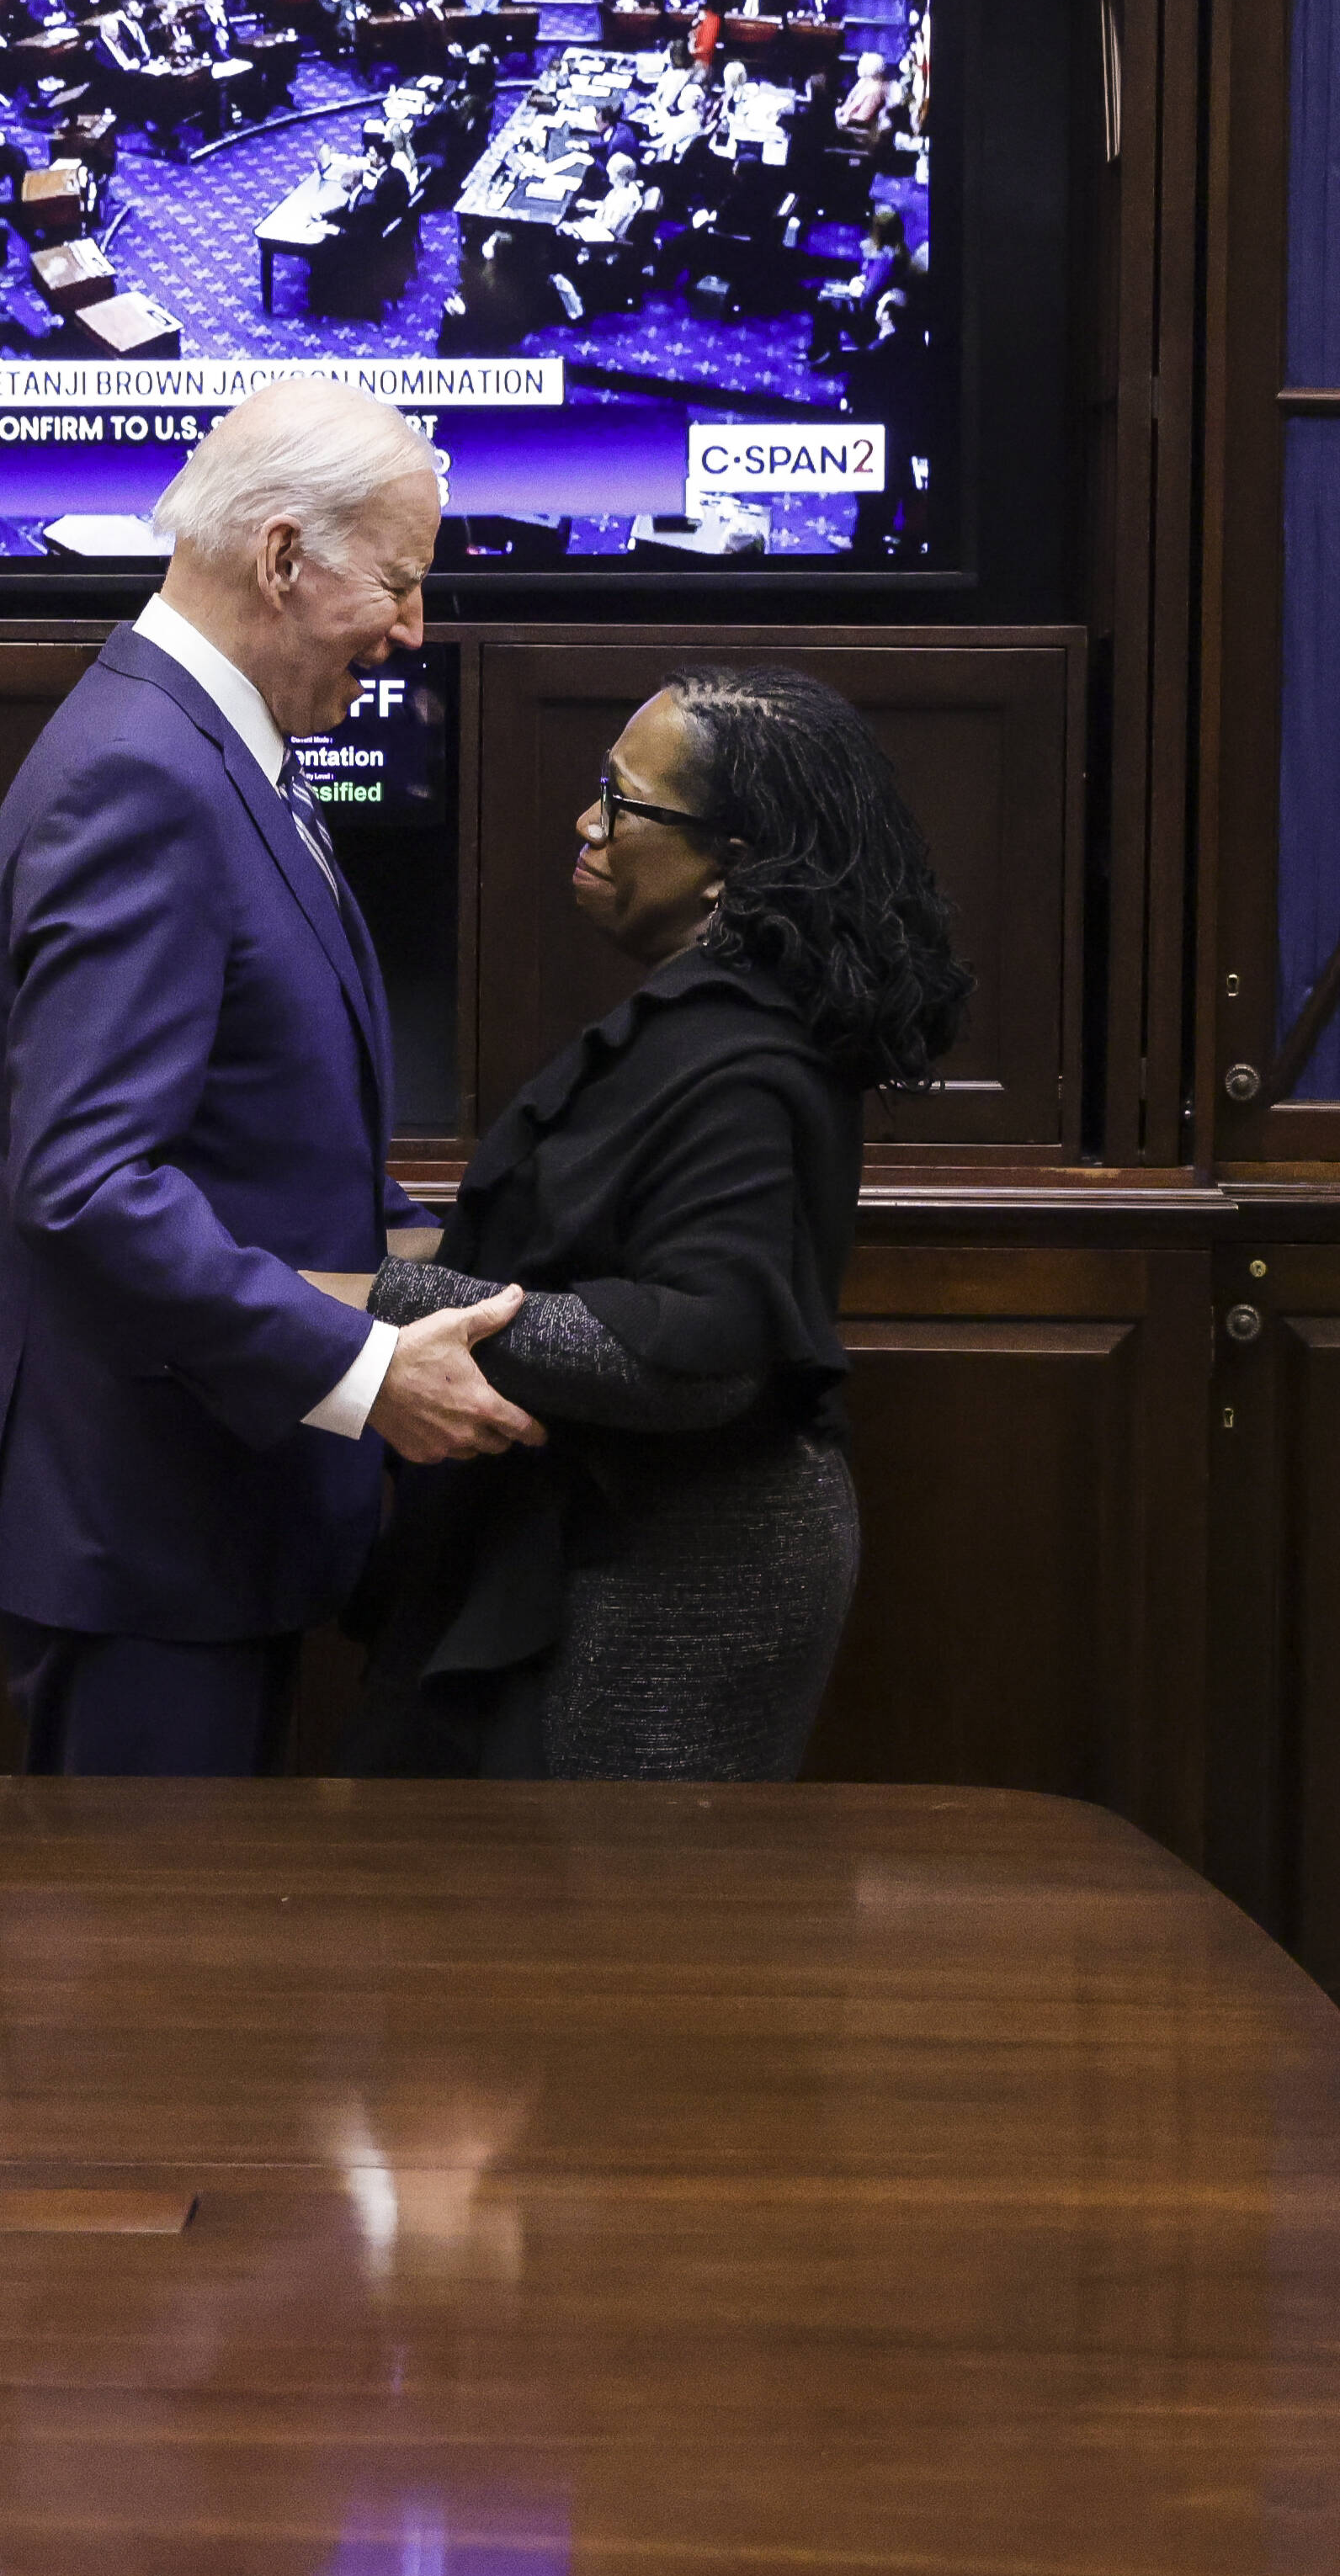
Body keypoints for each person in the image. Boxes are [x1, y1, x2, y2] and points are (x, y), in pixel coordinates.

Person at [0, 381, 540, 1776]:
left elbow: (248, 1124)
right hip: (139, 1533)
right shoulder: (146, 778)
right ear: (281, 558)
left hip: (196, 1517)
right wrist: (369, 1371)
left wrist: (450, 1262)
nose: (415, 630)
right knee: (138, 1979)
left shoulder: (207, 748)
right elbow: (88, 1188)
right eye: (400, 580)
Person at [345, 672, 967, 1782]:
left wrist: (370, 1302)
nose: (589, 824)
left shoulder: (744, 1061)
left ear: (729, 858)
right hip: (612, 1537)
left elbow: (697, 1352)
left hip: (679, 1577)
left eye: (622, 802)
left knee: (616, 1939)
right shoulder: (701, 1020)